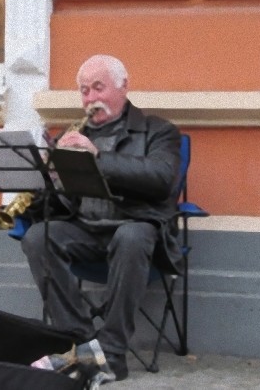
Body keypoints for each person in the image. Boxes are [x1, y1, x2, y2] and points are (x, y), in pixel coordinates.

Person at [20, 54, 183, 381]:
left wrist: (98, 157)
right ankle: (79, 344)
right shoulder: (73, 135)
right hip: (86, 231)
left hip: (136, 230)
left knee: (132, 235)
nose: (91, 98)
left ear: (124, 87)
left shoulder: (159, 131)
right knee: (38, 237)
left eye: (98, 88)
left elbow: (162, 178)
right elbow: (64, 204)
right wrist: (51, 178)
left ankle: (110, 353)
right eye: (84, 91)